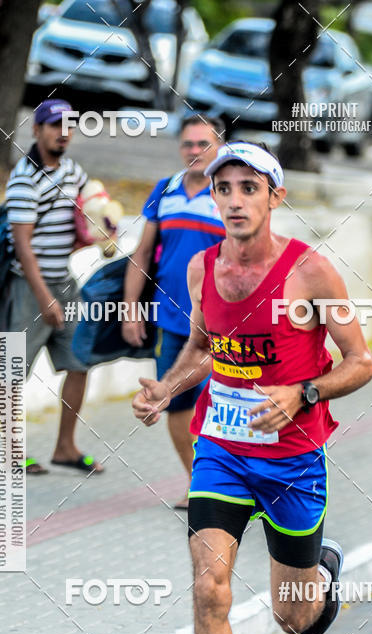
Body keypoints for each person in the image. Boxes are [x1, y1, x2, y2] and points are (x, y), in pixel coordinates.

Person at [132, 142, 372, 634]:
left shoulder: (311, 273)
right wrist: (164, 388)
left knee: (294, 618)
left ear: (275, 197)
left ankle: (322, 570)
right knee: (210, 584)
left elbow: (361, 361)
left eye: (248, 188)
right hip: (222, 448)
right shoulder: (202, 269)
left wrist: (305, 393)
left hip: (293, 457)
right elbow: (206, 348)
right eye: (224, 189)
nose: (235, 200)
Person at [122, 115, 225, 507]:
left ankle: (229, 488)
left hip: (222, 327)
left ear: (219, 147)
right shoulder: (164, 190)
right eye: (188, 144)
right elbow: (143, 253)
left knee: (222, 408)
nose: (195, 151)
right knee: (176, 404)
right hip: (171, 321)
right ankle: (198, 483)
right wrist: (131, 311)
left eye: (204, 144)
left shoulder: (229, 194)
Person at [5, 98, 103, 475]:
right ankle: (11, 453)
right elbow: (23, 247)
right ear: (36, 130)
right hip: (29, 288)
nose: (62, 133)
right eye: (53, 125)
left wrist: (93, 233)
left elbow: (80, 218)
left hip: (64, 281)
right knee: (13, 373)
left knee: (80, 362)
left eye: (69, 126)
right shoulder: (24, 179)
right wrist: (45, 298)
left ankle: (65, 447)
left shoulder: (73, 172)